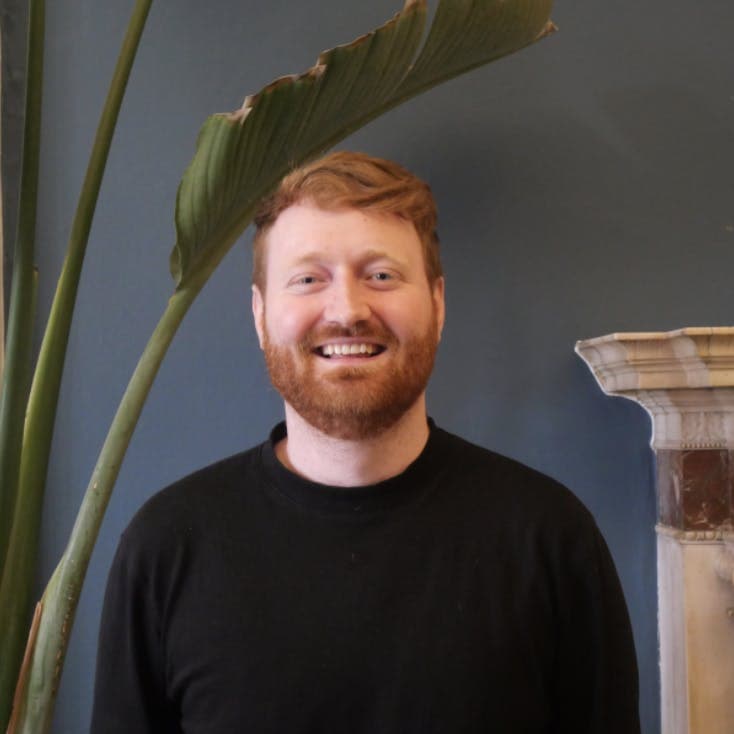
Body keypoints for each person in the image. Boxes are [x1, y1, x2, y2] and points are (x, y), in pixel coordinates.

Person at [91, 151, 640, 733]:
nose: (347, 310)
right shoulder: (167, 548)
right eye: (308, 279)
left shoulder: (550, 538)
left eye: (381, 275)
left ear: (437, 303)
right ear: (260, 314)